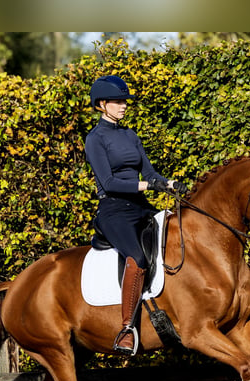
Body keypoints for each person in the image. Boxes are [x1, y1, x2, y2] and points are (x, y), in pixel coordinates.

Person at [85, 75, 185, 355]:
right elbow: (109, 182)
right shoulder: (95, 139)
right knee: (137, 257)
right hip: (114, 209)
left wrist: (169, 183)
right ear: (102, 104)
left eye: (125, 101)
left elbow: (150, 173)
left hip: (140, 205)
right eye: (118, 101)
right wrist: (147, 185)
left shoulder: (130, 135)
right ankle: (127, 328)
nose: (123, 106)